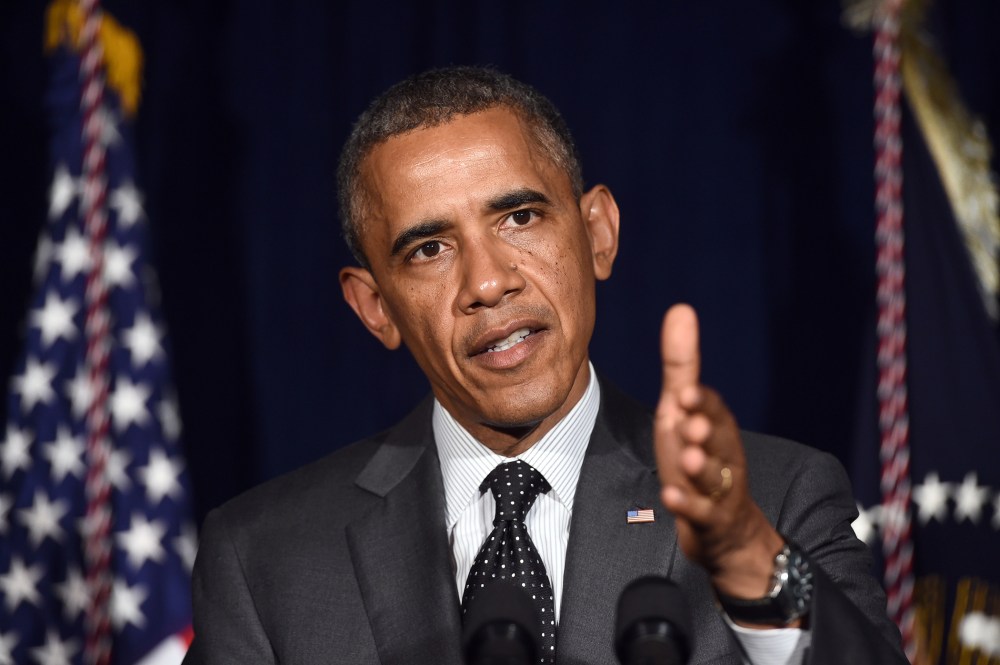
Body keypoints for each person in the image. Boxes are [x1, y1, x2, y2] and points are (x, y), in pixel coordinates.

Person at [184, 66, 907, 665]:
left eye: (520, 218)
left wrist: (746, 552)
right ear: (375, 306)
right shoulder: (264, 559)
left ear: (597, 233)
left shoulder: (774, 499)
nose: (489, 281)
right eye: (430, 248)